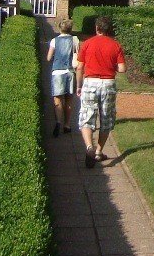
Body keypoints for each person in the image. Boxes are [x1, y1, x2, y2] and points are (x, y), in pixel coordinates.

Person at [75, 15, 126, 167]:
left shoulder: (88, 43)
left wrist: (79, 85)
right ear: (109, 29)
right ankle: (98, 151)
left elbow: (79, 67)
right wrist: (113, 66)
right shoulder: (115, 45)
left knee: (87, 116)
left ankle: (89, 147)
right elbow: (122, 69)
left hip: (90, 82)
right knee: (106, 119)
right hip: (108, 83)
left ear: (97, 28)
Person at [46, 20, 80, 137]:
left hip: (57, 71)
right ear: (70, 29)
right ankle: (67, 125)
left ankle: (58, 122)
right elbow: (78, 56)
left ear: (60, 29)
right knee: (69, 99)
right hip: (70, 71)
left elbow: (49, 58)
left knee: (57, 99)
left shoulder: (54, 41)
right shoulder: (75, 40)